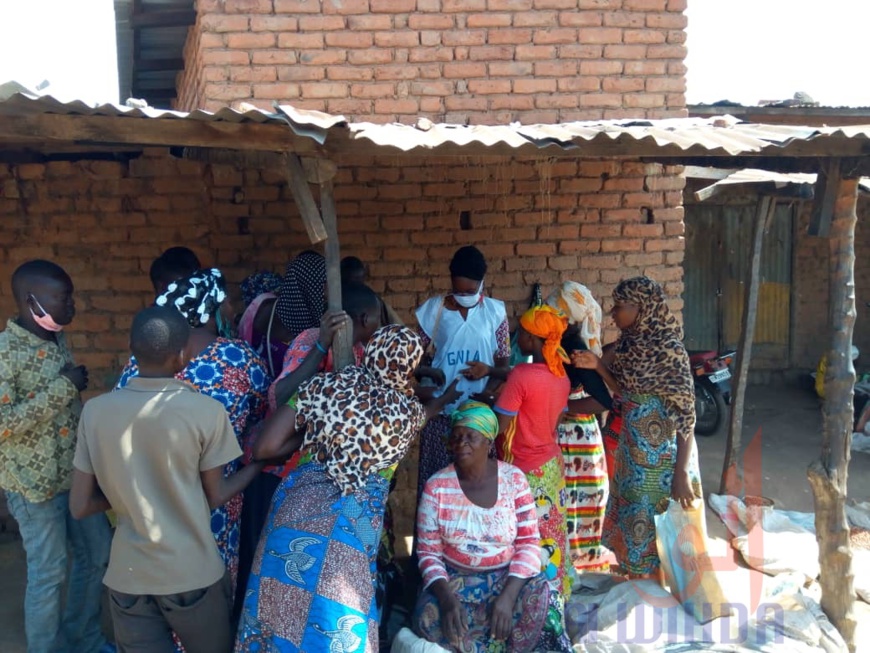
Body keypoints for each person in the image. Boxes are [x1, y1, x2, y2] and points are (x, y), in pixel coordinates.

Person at [235, 325, 460, 652]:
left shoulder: (323, 386)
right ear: (410, 368)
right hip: (352, 533)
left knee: (274, 623)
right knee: (335, 628)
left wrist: (314, 436)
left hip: (294, 516)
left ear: (370, 351)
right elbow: (425, 413)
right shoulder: (407, 415)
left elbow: (266, 448)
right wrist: (445, 399)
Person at [70, 306, 265, 653]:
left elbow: (81, 505)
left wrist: (128, 494)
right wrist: (256, 467)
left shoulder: (95, 412)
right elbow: (217, 494)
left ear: (132, 347)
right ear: (182, 356)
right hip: (192, 575)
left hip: (128, 576)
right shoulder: (206, 412)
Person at [117, 269, 270, 601]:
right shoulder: (239, 357)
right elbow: (264, 409)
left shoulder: (140, 359)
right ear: (209, 308)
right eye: (226, 300)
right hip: (218, 493)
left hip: (148, 491)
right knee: (209, 585)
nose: (233, 308)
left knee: (157, 581)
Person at [234, 282, 383, 619]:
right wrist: (320, 347)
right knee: (268, 573)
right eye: (377, 319)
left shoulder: (360, 353)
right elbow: (280, 395)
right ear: (364, 317)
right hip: (279, 477)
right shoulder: (309, 340)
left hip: (317, 483)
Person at [0, 260, 113, 653]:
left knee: (97, 554)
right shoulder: (5, 353)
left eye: (71, 296)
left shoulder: (56, 339)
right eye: (62, 298)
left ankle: (84, 636)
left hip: (75, 476)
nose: (72, 305)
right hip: (33, 488)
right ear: (32, 301)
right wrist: (64, 388)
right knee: (48, 572)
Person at [572, 276, 702, 579]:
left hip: (663, 462)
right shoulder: (629, 347)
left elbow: (686, 416)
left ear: (642, 308)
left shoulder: (669, 351)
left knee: (661, 528)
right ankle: (637, 582)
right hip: (632, 456)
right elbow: (624, 392)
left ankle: (658, 589)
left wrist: (681, 472)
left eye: (620, 307)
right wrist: (598, 366)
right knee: (633, 524)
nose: (614, 313)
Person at [413, 401, 568, 653]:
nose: (462, 443)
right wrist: (447, 599)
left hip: (507, 577)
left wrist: (507, 597)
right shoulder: (437, 487)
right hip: (456, 581)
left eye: (471, 436)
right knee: (428, 619)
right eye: (457, 437)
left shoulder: (514, 479)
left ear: (488, 442)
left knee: (545, 600)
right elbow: (428, 553)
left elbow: (529, 543)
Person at [414, 245, 511, 497]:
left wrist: (487, 391)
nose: (464, 295)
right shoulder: (432, 312)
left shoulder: (495, 312)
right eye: (458, 290)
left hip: (477, 417)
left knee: (474, 486)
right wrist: (433, 382)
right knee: (437, 488)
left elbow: (503, 364)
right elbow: (414, 360)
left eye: (470, 291)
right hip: (440, 415)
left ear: (481, 284)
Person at [493, 304, 572, 604]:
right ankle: (555, 594)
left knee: (526, 536)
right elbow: (556, 419)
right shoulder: (560, 375)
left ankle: (531, 600)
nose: (517, 338)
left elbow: (500, 426)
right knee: (551, 532)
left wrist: (481, 410)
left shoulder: (522, 375)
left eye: (521, 334)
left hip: (523, 470)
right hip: (551, 465)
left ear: (531, 339)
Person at [547, 282, 613, 573]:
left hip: (576, 437)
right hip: (570, 434)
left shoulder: (573, 348)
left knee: (576, 500)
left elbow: (602, 400)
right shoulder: (558, 343)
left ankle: (578, 568)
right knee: (569, 501)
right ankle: (571, 566)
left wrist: (561, 408)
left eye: (553, 309)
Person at [341, 256, 403, 326]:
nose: (355, 289)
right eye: (351, 285)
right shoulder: (336, 304)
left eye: (358, 283)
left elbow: (399, 328)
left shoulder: (375, 302)